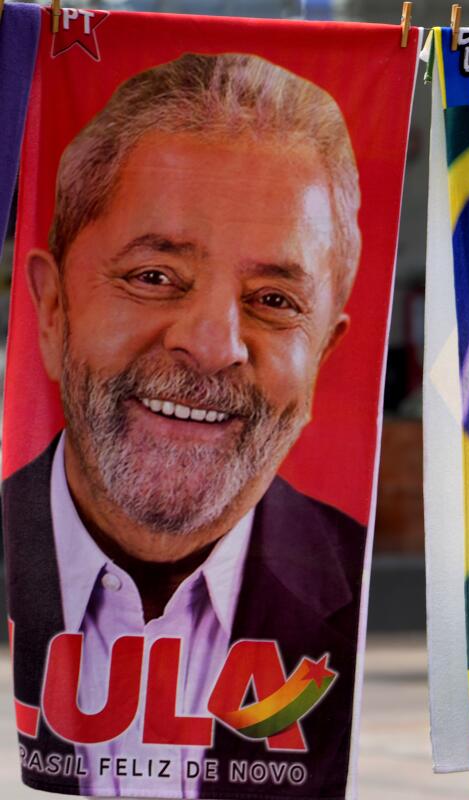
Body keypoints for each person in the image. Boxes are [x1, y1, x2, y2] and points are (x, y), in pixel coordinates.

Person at [3, 53, 366, 799]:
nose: (211, 345)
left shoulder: (363, 591)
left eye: (273, 299)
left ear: (324, 350)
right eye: (154, 277)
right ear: (52, 309)